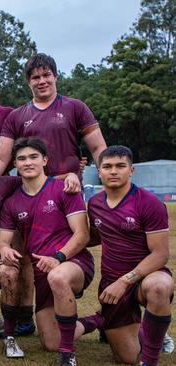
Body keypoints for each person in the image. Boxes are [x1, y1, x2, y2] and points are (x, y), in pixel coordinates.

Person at [0, 138, 93, 365]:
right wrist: (5, 249)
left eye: (33, 157)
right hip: (42, 273)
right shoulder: (12, 203)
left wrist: (58, 258)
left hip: (71, 263)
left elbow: (82, 235)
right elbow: (1, 242)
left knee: (57, 276)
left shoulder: (64, 190)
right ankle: (99, 320)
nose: (27, 162)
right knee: (50, 341)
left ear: (45, 160)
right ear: (15, 165)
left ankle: (68, 355)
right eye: (21, 158)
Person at [84, 146, 172, 366]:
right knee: (127, 358)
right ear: (100, 171)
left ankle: (150, 359)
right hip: (111, 282)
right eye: (107, 167)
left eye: (120, 166)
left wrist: (125, 281)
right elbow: (94, 237)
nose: (114, 171)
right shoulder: (94, 204)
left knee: (160, 287)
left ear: (131, 170)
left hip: (144, 277)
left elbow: (160, 254)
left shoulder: (149, 202)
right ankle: (142, 330)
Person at [0, 53, 107, 179]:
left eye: (46, 75)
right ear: (28, 82)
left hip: (68, 189)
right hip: (30, 191)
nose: (42, 81)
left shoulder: (76, 107)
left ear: (55, 77)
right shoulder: (15, 117)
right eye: (36, 77)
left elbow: (98, 148)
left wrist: (107, 179)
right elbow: (1, 159)